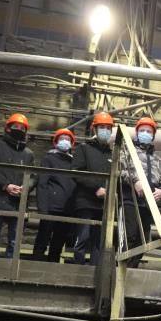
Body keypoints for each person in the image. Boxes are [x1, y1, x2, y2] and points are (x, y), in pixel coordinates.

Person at [0, 113, 35, 258]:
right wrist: (6, 185)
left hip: (18, 202)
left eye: (22, 128)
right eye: (16, 126)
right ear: (8, 128)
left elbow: (33, 176)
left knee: (15, 240)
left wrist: (26, 187)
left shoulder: (28, 154)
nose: (19, 130)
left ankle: (10, 267)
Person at [122, 117, 161, 267]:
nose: (145, 133)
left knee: (142, 241)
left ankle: (131, 269)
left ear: (153, 135)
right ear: (137, 133)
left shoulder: (157, 159)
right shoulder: (127, 150)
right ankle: (120, 269)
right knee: (129, 236)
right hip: (130, 200)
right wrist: (135, 181)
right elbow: (120, 170)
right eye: (142, 130)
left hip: (148, 205)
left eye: (149, 131)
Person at [72, 111, 113, 265]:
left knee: (98, 241)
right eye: (102, 127)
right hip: (86, 201)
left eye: (108, 128)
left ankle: (95, 269)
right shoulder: (84, 148)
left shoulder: (111, 153)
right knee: (83, 236)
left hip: (103, 204)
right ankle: (78, 267)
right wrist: (96, 188)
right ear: (94, 129)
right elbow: (76, 172)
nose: (105, 130)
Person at [32, 128, 76, 262]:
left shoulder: (74, 163)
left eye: (67, 139)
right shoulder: (49, 159)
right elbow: (42, 184)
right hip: (50, 207)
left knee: (59, 241)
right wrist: (43, 208)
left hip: (67, 208)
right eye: (62, 139)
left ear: (72, 143)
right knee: (43, 237)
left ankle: (53, 265)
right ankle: (35, 264)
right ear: (56, 142)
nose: (65, 141)